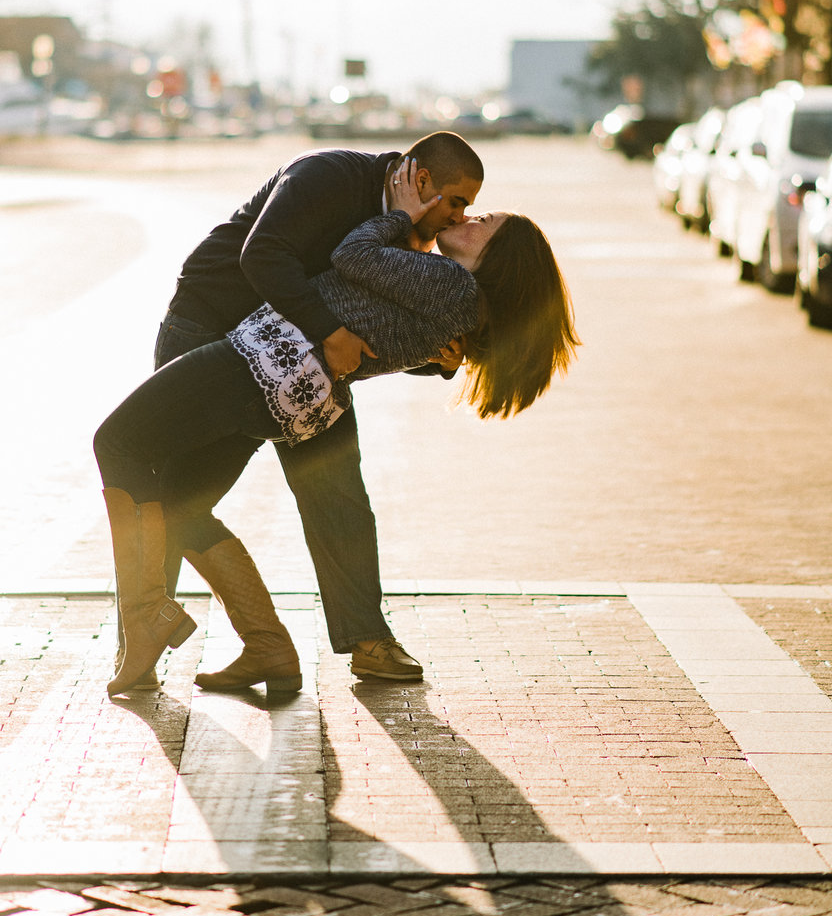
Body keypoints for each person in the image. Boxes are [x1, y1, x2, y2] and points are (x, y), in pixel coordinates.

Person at [94, 158, 580, 697]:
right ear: (423, 181)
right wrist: (428, 353)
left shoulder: (440, 271)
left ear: (498, 257)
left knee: (122, 447)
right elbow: (298, 273)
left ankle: (149, 621)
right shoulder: (329, 179)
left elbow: (355, 263)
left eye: (476, 217)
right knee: (181, 502)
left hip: (264, 359)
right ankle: (259, 645)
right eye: (461, 204)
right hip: (240, 339)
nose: (460, 217)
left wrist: (398, 220)